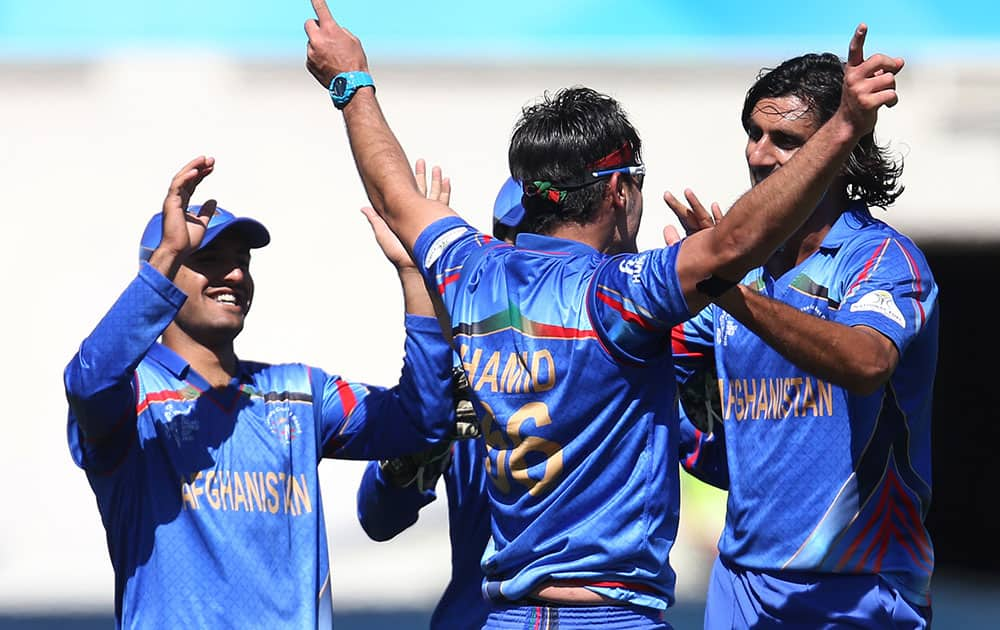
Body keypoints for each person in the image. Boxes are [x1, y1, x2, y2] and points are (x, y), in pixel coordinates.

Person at [305, 4, 903, 626]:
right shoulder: (620, 295)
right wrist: (844, 129)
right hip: (611, 616)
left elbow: (395, 194)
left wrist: (352, 83)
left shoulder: (468, 274)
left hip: (506, 616)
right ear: (620, 193)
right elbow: (731, 248)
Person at [62, 155, 455, 629]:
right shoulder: (135, 396)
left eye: (242, 263)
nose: (235, 276)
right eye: (208, 261)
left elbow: (423, 421)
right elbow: (87, 381)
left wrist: (416, 276)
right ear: (162, 273)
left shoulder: (298, 392)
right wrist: (167, 257)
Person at [668, 51, 938, 628]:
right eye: (754, 133)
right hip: (739, 584)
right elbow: (650, 370)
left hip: (857, 590)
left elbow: (868, 361)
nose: (759, 154)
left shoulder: (883, 260)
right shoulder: (739, 269)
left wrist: (726, 292)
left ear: (838, 153)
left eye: (785, 139)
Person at [355, 175, 524, 630]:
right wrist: (424, 444)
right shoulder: (463, 367)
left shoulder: (622, 355)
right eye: (516, 245)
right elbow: (378, 516)